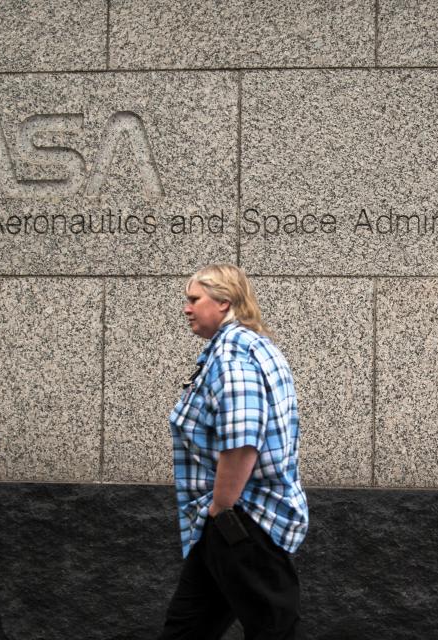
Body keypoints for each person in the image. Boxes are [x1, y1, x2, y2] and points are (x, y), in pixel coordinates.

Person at [158, 264, 309, 640]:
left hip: (242, 521)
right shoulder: (243, 348)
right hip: (227, 524)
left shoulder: (232, 359)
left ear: (223, 303)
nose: (187, 308)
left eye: (194, 299)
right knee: (187, 628)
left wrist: (221, 507)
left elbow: (242, 442)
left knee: (272, 631)